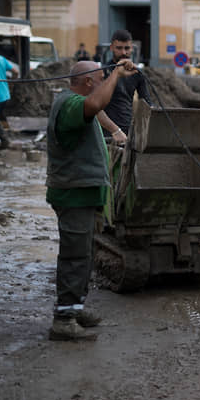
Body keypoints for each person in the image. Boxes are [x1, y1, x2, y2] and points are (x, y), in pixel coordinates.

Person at [45, 58, 137, 341]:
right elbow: (95, 105)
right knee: (74, 256)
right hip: (73, 194)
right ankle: (64, 319)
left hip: (82, 193)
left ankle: (75, 306)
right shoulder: (71, 104)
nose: (102, 85)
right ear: (87, 83)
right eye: (99, 80)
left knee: (83, 254)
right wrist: (117, 76)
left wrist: (116, 131)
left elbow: (97, 112)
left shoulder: (75, 104)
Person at [96, 30, 151, 145]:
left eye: (127, 48)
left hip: (127, 130)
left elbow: (146, 103)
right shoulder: (102, 72)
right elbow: (95, 104)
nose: (123, 52)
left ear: (132, 48)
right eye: (119, 48)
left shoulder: (137, 73)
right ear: (111, 48)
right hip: (104, 131)